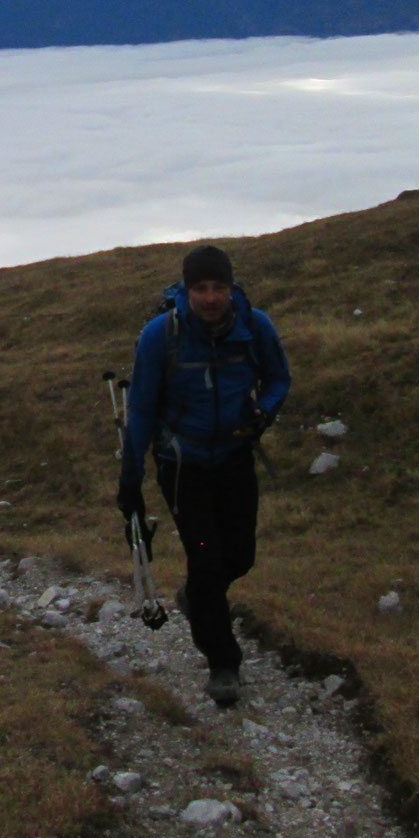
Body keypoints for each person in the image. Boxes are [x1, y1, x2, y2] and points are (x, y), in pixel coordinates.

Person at [117, 243, 290, 706]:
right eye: (201, 288)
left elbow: (279, 379)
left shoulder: (256, 327)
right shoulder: (161, 336)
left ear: (232, 286)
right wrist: (129, 482)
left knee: (240, 557)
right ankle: (223, 663)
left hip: (234, 456)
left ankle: (197, 597)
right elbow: (142, 409)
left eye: (219, 287)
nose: (211, 298)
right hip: (182, 466)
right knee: (206, 556)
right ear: (188, 290)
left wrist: (264, 413)